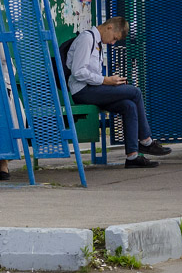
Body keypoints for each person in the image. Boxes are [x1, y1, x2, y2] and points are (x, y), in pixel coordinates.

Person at [67, 16, 169, 168]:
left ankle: (133, 157)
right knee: (135, 92)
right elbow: (78, 72)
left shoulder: (97, 43)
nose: (113, 42)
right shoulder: (87, 39)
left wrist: (109, 81)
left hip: (93, 88)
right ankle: (146, 141)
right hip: (82, 91)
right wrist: (106, 81)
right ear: (109, 27)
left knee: (129, 106)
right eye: (114, 38)